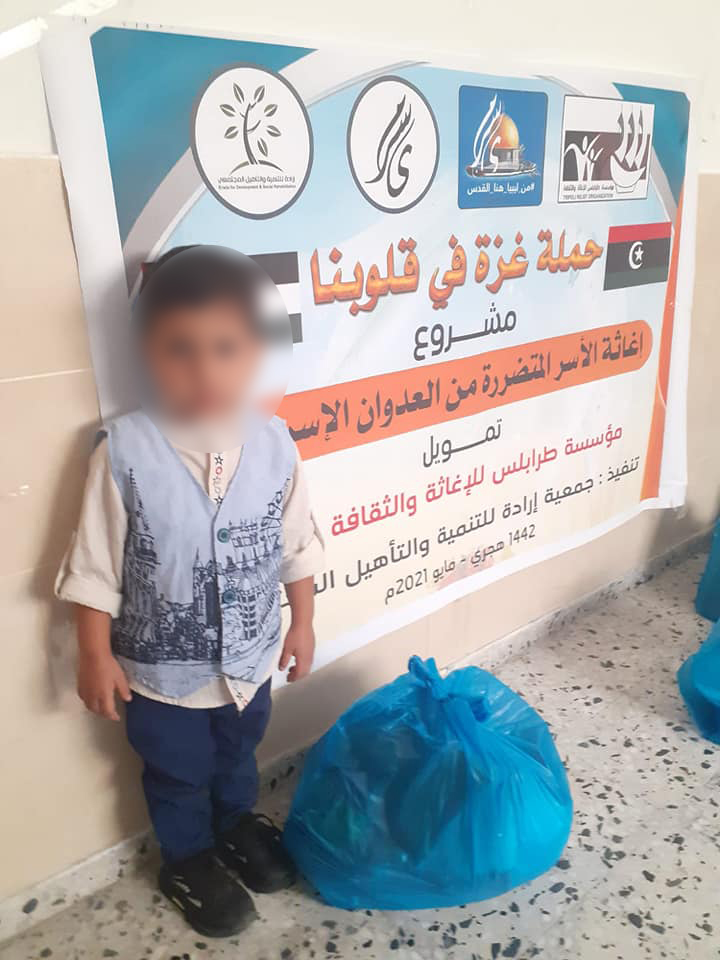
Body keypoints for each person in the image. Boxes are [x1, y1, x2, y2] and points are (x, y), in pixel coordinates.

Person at [55, 246, 324, 938]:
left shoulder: (276, 443)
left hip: (252, 663)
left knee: (238, 753)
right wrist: (94, 653)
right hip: (161, 678)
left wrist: (302, 622)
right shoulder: (125, 451)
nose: (205, 371)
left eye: (225, 349)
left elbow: (295, 543)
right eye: (180, 350)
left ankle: (235, 825)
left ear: (256, 353)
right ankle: (187, 857)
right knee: (175, 771)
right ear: (147, 351)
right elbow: (94, 566)